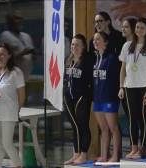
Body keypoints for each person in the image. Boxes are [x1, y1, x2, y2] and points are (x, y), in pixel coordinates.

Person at [118, 17, 146, 159]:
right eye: (137, 27)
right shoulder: (127, 46)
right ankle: (134, 148)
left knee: (144, 119)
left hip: (144, 86)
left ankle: (143, 147)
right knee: (132, 119)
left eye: (142, 28)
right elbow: (123, 69)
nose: (139, 30)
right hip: (129, 87)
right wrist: (121, 87)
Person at [0, 43, 25, 168]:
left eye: (2, 54)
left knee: (7, 144)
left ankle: (18, 166)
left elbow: (22, 95)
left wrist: (17, 110)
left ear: (9, 56)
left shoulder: (16, 73)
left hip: (8, 113)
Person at [63, 34, 93, 165]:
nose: (74, 47)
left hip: (82, 97)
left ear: (83, 47)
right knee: (74, 126)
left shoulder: (87, 61)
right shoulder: (68, 60)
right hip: (68, 97)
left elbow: (91, 81)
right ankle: (76, 153)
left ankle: (84, 154)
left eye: (77, 45)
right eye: (72, 45)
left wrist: (88, 96)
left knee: (83, 125)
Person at [92, 32, 121, 162]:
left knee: (113, 128)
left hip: (109, 98)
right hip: (97, 98)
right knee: (103, 129)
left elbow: (116, 79)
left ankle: (115, 155)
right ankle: (104, 155)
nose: (95, 42)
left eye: (98, 39)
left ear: (106, 42)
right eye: (94, 40)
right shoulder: (96, 58)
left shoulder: (112, 58)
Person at [0, 10, 35, 81]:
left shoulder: (26, 36)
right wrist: (23, 53)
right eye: (16, 18)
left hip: (25, 79)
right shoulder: (5, 36)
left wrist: (33, 55)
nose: (20, 20)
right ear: (9, 21)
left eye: (21, 18)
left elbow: (31, 57)